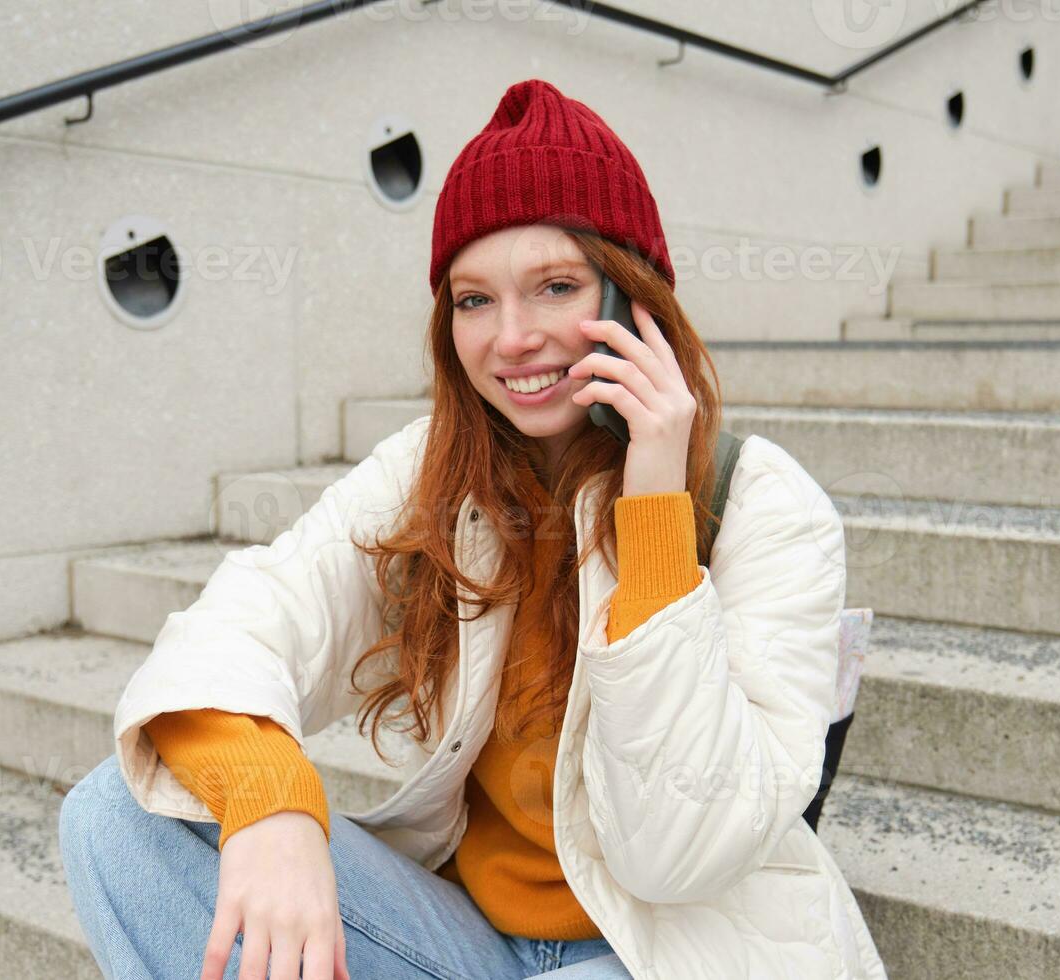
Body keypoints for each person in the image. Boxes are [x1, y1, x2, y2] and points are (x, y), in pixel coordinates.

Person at [57, 77, 887, 980]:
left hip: (667, 951)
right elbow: (254, 614)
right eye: (474, 300)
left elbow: (677, 852)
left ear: (634, 298)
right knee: (116, 818)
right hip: (462, 934)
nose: (512, 338)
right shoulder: (434, 474)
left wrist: (653, 516)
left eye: (557, 286)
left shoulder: (765, 505)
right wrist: (270, 803)